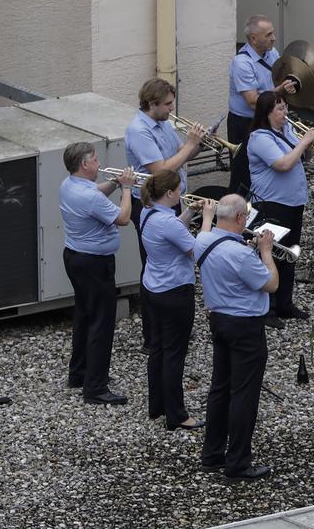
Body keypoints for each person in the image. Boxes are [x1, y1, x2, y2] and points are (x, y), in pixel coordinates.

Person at [195, 194, 277, 480]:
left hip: (219, 321)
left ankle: (212, 454)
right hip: (245, 327)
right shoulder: (240, 254)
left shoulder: (203, 240)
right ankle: (238, 462)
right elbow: (271, 283)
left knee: (220, 388)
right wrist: (265, 251)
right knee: (244, 394)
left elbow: (207, 233)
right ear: (241, 219)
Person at [59, 142, 136, 405]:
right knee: (101, 322)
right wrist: (127, 187)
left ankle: (79, 373)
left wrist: (114, 184)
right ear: (84, 164)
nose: (98, 162)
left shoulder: (69, 184)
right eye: (94, 159)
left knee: (84, 315)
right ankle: (95, 388)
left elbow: (96, 195)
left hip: (76, 258)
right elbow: (123, 218)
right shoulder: (88, 195)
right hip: (94, 264)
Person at [137, 170, 213, 430]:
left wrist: (190, 212)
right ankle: (177, 415)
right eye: (179, 190)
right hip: (174, 292)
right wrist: (207, 219)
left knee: (158, 348)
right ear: (169, 194)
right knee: (174, 354)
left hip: (153, 288)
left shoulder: (149, 212)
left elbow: (172, 230)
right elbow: (199, 249)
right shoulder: (167, 223)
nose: (181, 193)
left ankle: (157, 406)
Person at [247, 91, 314, 325]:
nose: (285, 113)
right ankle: (265, 308)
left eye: (286, 107)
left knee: (289, 254)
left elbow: (303, 158)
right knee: (268, 255)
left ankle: (284, 304)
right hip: (271, 204)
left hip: (293, 202)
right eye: (279, 109)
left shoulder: (286, 131)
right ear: (266, 113)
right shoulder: (260, 138)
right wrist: (304, 141)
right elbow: (283, 163)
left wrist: (309, 145)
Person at [125, 78, 203, 261]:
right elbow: (160, 171)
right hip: (151, 202)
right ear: (152, 104)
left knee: (176, 254)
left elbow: (181, 155)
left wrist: (199, 144)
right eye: (168, 104)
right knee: (157, 259)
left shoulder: (164, 124)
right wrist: (190, 143)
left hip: (170, 197)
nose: (172, 108)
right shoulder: (138, 130)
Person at [227, 15, 297, 197]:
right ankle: (236, 214)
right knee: (243, 174)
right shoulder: (242, 63)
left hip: (268, 118)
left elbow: (280, 78)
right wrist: (279, 92)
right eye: (268, 34)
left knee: (269, 167)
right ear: (254, 39)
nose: (273, 38)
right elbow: (252, 102)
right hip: (245, 122)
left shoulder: (272, 54)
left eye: (273, 33)